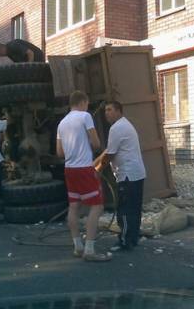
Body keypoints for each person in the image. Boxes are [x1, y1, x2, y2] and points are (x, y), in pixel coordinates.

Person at [56, 91, 111, 262]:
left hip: (69, 169)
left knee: (74, 206)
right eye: (87, 104)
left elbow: (59, 153)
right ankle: (90, 249)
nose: (87, 107)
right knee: (97, 206)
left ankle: (78, 246)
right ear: (83, 102)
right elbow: (96, 143)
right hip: (84, 168)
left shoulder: (62, 123)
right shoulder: (85, 117)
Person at [104, 101, 146, 252]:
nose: (106, 113)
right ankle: (133, 238)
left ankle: (125, 240)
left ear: (118, 111)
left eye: (110, 110)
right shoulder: (125, 124)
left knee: (125, 209)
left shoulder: (116, 128)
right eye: (105, 110)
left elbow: (109, 154)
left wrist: (97, 169)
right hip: (136, 173)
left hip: (127, 174)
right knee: (134, 208)